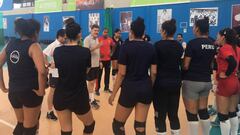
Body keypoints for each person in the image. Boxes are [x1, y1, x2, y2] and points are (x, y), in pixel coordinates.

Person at [108, 17, 157, 135]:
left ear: (131, 31)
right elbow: (154, 72)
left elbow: (121, 73)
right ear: (143, 33)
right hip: (145, 87)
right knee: (140, 127)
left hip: (129, 89)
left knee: (118, 125)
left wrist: (113, 94)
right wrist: (150, 87)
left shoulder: (125, 47)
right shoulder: (151, 47)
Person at [0, 18, 47, 135]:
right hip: (30, 92)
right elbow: (42, 71)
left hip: (14, 93)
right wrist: (41, 91)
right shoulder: (34, 46)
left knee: (21, 125)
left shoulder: (10, 44)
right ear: (35, 32)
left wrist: (3, 87)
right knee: (29, 129)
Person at [53, 21, 95, 135]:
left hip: (61, 95)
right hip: (79, 96)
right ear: (79, 35)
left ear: (66, 35)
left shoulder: (57, 51)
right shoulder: (85, 52)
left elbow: (57, 67)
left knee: (66, 131)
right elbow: (86, 70)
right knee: (89, 125)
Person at [182, 17, 216, 135]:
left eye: (193, 26)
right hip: (206, 81)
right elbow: (212, 64)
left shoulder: (192, 43)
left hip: (192, 81)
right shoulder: (213, 44)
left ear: (197, 28)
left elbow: (186, 65)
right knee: (203, 110)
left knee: (191, 113)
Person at [153, 19, 183, 135]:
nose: (160, 32)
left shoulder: (157, 46)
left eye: (161, 30)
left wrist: (151, 84)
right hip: (175, 84)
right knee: (173, 114)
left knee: (160, 116)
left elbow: (154, 71)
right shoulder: (179, 46)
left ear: (164, 31)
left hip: (161, 85)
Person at [215, 28, 240, 135]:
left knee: (223, 115)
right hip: (235, 82)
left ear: (223, 37)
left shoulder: (224, 48)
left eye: (218, 36)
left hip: (226, 83)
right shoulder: (238, 48)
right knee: (232, 112)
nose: (217, 38)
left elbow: (232, 62)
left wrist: (227, 73)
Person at [43, 29, 66, 121]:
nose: (65, 39)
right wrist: (48, 65)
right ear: (59, 37)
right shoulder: (54, 45)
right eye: (64, 37)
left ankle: (59, 106)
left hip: (62, 72)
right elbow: (43, 54)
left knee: (60, 90)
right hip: (54, 72)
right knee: (52, 91)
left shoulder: (63, 45)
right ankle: (49, 112)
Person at [84, 24, 101, 110]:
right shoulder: (87, 39)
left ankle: (91, 97)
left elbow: (98, 52)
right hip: (90, 65)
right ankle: (91, 100)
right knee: (90, 83)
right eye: (95, 30)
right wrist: (95, 47)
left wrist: (100, 61)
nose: (96, 32)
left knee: (93, 82)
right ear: (91, 30)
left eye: (97, 31)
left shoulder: (97, 39)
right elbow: (85, 52)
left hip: (96, 64)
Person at [95, 28, 115, 96]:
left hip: (108, 60)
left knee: (107, 75)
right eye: (104, 32)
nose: (105, 33)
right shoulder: (99, 39)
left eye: (107, 32)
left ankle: (106, 88)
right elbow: (96, 48)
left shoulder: (110, 39)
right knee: (99, 75)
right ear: (102, 32)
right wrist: (99, 55)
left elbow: (114, 46)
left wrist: (111, 53)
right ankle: (97, 89)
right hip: (100, 61)